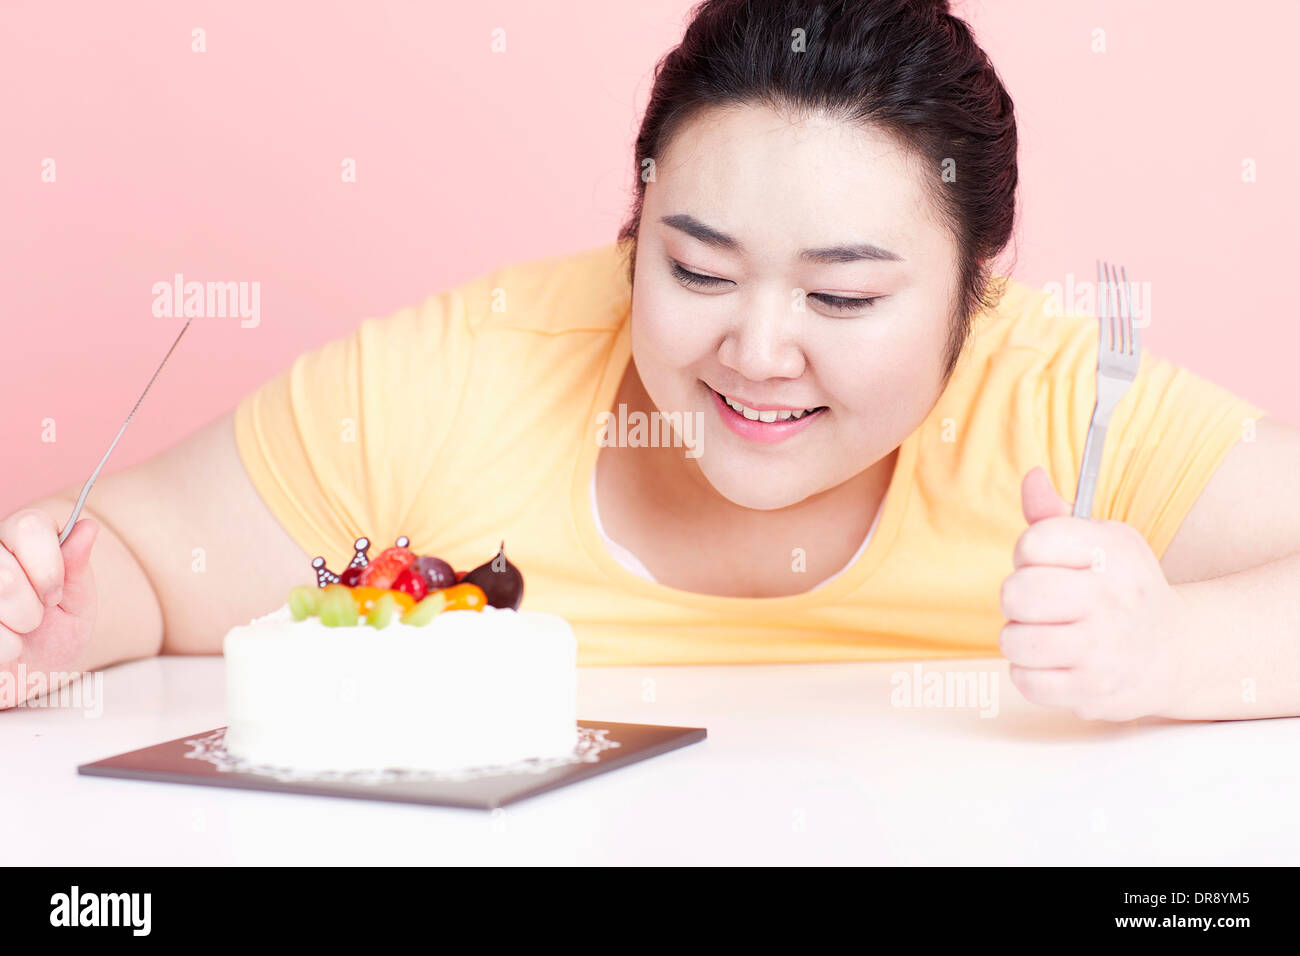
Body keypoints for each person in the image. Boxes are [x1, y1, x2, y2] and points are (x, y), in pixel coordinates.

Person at [4, 0, 1299, 722]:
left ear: (977, 297)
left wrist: (1167, 651)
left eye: (843, 293)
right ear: (630, 234)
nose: (757, 350)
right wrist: (52, 617)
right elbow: (143, 563)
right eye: (695, 271)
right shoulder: (474, 369)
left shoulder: (1056, 402)